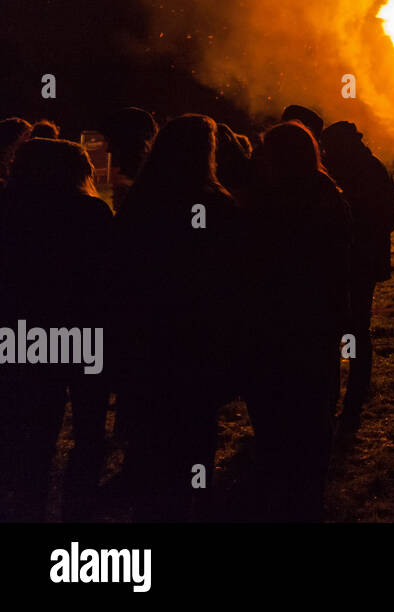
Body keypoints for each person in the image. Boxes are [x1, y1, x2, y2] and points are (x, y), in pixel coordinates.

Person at [114, 114, 243, 520]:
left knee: (152, 443)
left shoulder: (140, 201)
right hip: (196, 346)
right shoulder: (216, 204)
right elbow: (234, 278)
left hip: (148, 344)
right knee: (194, 441)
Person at [0, 138, 113, 520]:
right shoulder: (93, 211)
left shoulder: (11, 209)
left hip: (26, 332)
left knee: (33, 424)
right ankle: (79, 503)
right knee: (89, 426)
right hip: (83, 331)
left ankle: (27, 498)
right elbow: (109, 278)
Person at [244, 121, 351, 520]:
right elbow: (339, 265)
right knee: (313, 412)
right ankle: (307, 495)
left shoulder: (259, 200)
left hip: (272, 324)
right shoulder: (327, 196)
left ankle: (280, 490)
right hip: (314, 323)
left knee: (275, 414)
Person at [319, 121, 394, 430]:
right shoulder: (370, 168)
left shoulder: (350, 171)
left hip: (351, 263)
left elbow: (386, 217)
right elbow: (390, 218)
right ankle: (350, 399)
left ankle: (346, 400)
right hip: (359, 263)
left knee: (346, 330)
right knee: (353, 330)